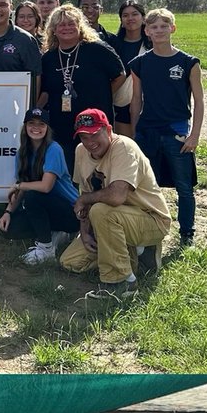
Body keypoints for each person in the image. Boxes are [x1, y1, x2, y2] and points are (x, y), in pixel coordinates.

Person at [58, 108, 172, 299]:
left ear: (108, 130)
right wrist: (85, 233)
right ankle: (139, 253)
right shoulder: (81, 152)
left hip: (150, 219)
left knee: (102, 211)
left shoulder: (124, 148)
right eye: (84, 137)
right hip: (113, 220)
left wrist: (85, 200)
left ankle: (121, 282)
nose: (90, 143)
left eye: (95, 134)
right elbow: (85, 194)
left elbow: (116, 197)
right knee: (70, 262)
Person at [131, 7, 204, 247]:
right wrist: (133, 134)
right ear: (147, 31)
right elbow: (136, 101)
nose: (159, 30)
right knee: (147, 185)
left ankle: (187, 233)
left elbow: (199, 101)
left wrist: (194, 135)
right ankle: (149, 232)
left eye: (164, 26)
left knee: (184, 187)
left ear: (173, 28)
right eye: (154, 27)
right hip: (147, 131)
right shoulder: (140, 63)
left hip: (177, 133)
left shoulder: (188, 62)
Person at [39, 4, 126, 156]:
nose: (67, 28)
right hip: (61, 125)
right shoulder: (49, 58)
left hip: (94, 124)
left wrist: (104, 94)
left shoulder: (97, 49)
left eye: (71, 23)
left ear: (80, 26)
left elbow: (120, 74)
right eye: (61, 25)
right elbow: (46, 90)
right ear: (53, 29)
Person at [0, 106, 79, 266]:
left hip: (70, 210)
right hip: (44, 206)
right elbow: (21, 188)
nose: (36, 128)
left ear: (47, 128)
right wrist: (7, 212)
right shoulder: (22, 153)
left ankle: (46, 248)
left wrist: (20, 186)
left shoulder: (54, 149)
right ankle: (56, 233)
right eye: (31, 123)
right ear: (25, 126)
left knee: (33, 195)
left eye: (41, 124)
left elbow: (46, 186)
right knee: (11, 229)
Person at [110, 0, 149, 139]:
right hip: (118, 106)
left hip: (146, 105)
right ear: (121, 20)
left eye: (135, 14)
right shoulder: (112, 45)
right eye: (125, 15)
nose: (130, 18)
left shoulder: (152, 46)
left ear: (143, 18)